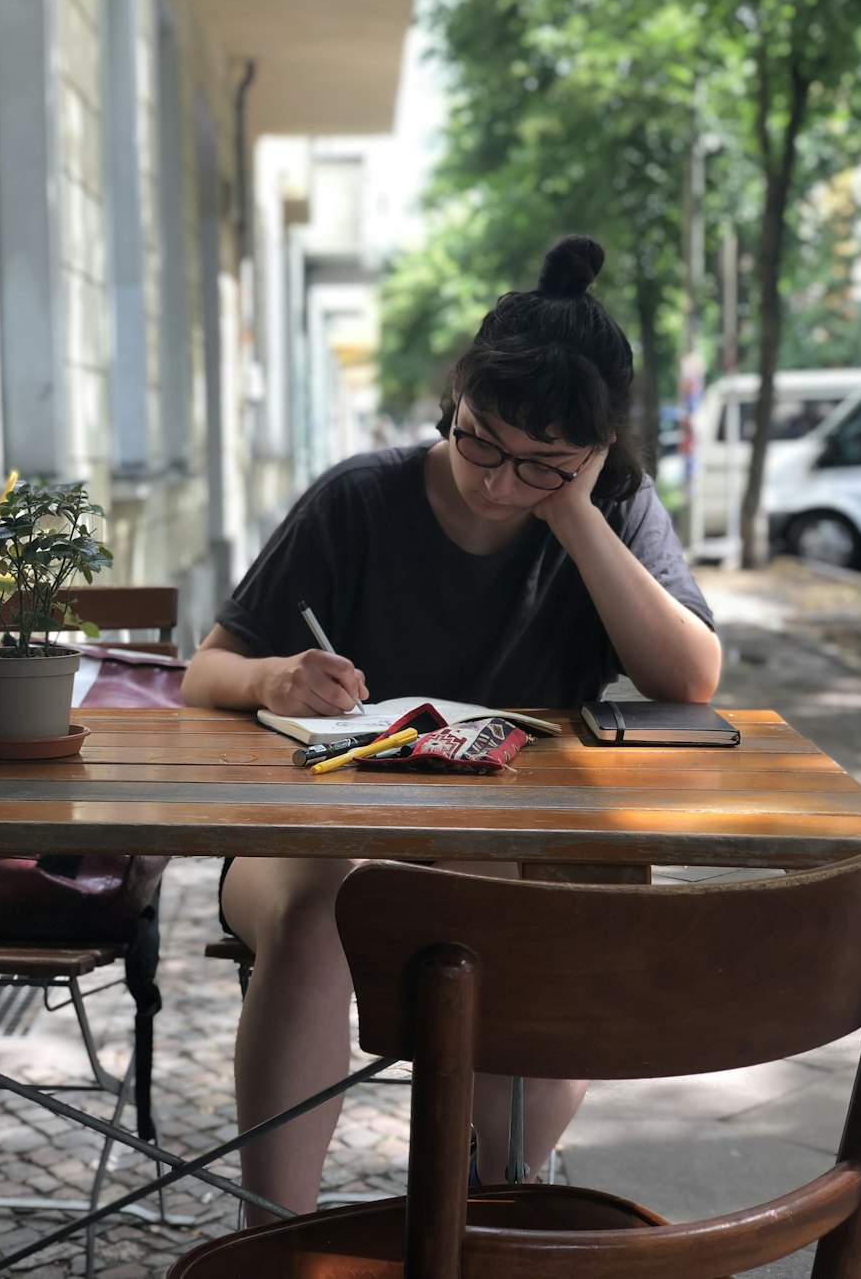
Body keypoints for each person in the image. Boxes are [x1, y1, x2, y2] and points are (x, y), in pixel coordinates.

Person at [182, 234, 722, 1223]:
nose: (498, 480)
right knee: (314, 921)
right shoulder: (361, 497)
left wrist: (578, 517)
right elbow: (204, 673)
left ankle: (500, 1205)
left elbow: (689, 676)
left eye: (541, 464)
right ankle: (275, 1238)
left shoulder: (609, 510)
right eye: (480, 438)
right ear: (457, 399)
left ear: (597, 451)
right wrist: (277, 675)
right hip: (321, 834)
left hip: (511, 845)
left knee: (550, 916)